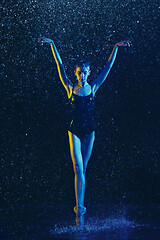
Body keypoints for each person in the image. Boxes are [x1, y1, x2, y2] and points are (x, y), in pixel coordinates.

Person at [38, 37, 131, 224]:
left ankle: (82, 212)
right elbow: (60, 65)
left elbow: (108, 67)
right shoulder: (70, 88)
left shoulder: (94, 87)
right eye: (79, 72)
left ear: (89, 72)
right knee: (78, 168)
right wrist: (52, 44)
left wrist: (116, 47)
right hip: (74, 131)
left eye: (85, 72)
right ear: (76, 73)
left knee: (83, 170)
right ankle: (79, 212)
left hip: (89, 131)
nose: (82, 75)